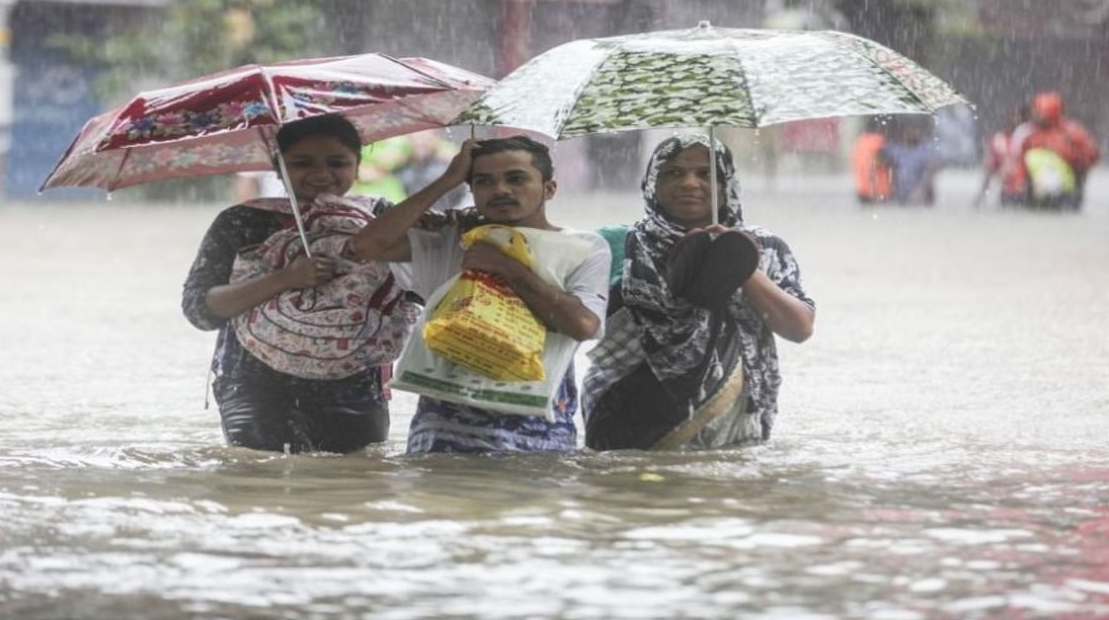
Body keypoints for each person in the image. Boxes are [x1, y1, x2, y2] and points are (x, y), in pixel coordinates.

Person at [349, 136, 611, 453]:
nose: (500, 190)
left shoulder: (583, 247)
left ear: (549, 188)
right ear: (472, 191)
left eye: (516, 179)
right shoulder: (451, 237)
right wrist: (445, 183)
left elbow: (583, 326)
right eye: (484, 181)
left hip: (538, 437)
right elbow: (365, 246)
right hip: (441, 437)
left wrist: (508, 268)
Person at [181, 114, 401, 454]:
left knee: (355, 487)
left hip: (354, 385)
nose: (322, 173)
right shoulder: (242, 221)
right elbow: (200, 311)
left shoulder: (381, 218)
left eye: (337, 162)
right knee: (259, 485)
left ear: (357, 165)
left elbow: (421, 282)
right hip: (254, 386)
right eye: (302, 163)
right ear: (277, 166)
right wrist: (287, 278)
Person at [583, 133, 815, 451]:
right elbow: (580, 323)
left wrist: (739, 263)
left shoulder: (764, 248)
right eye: (674, 173)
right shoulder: (617, 244)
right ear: (652, 182)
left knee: (723, 494)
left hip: (730, 416)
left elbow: (799, 328)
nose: (690, 183)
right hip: (626, 414)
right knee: (628, 492)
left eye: (706, 174)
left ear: (726, 185)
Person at [1018, 92, 1099, 210]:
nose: (1033, 114)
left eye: (1037, 111)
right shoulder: (1030, 135)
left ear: (1049, 112)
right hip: (1037, 194)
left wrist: (1065, 154)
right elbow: (1022, 164)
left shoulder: (1073, 132)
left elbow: (1092, 156)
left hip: (1069, 193)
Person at [974, 104, 1029, 208]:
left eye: (1016, 117)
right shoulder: (997, 141)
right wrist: (981, 195)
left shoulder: (1028, 139)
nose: (1012, 121)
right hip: (1008, 192)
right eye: (1009, 117)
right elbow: (990, 169)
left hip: (1026, 191)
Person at [879, 119, 938, 206]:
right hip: (899, 194)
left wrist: (921, 189)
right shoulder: (895, 148)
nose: (912, 133)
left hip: (920, 194)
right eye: (909, 130)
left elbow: (930, 169)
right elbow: (879, 162)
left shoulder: (925, 149)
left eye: (915, 130)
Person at [852, 117, 893, 204]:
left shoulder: (860, 141)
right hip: (879, 191)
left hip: (863, 189)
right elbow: (879, 162)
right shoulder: (878, 141)